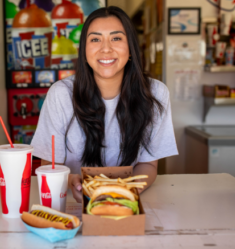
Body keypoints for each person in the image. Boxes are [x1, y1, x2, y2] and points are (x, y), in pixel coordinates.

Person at [30, 6, 177, 203]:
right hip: (71, 202)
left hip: (128, 203)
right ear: (84, 51)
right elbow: (49, 164)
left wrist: (124, 192)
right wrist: (70, 180)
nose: (106, 48)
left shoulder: (155, 93)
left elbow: (148, 165)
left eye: (116, 38)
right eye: (95, 39)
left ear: (131, 49)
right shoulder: (61, 94)